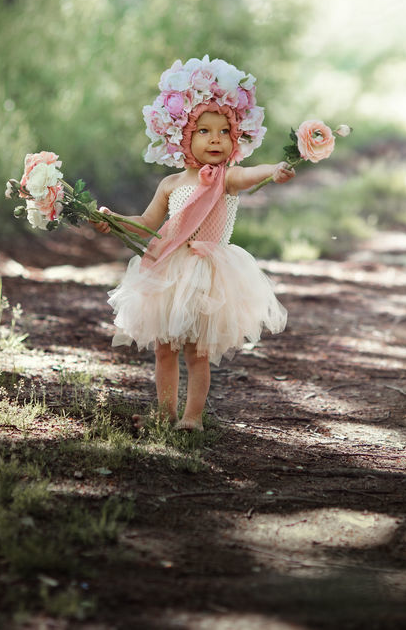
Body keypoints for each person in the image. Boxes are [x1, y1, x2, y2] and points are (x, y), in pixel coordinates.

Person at [91, 55, 295, 431]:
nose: (215, 139)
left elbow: (253, 174)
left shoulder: (227, 178)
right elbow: (147, 224)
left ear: (236, 138)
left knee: (197, 354)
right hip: (169, 270)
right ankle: (165, 413)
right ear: (183, 135)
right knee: (164, 351)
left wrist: (275, 171)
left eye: (223, 132)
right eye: (204, 131)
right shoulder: (170, 184)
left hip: (209, 276)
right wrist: (112, 221)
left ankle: (192, 417)